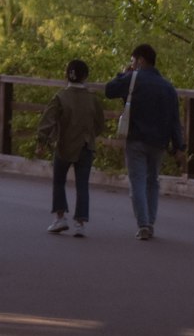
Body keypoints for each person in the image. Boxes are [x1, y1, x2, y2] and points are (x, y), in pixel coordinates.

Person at [105, 43, 186, 240]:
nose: (131, 64)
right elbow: (175, 119)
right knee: (152, 181)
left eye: (132, 60)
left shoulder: (132, 79)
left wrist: (123, 74)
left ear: (140, 60)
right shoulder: (168, 87)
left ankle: (143, 225)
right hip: (159, 141)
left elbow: (109, 90)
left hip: (136, 139)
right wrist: (179, 146)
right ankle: (150, 222)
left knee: (138, 181)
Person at [37, 59, 106, 237]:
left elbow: (48, 120)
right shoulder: (92, 99)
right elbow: (100, 124)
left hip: (64, 145)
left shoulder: (60, 96)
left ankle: (60, 218)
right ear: (85, 76)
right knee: (82, 185)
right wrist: (90, 135)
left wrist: (42, 142)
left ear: (66, 75)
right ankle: (80, 223)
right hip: (86, 145)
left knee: (59, 181)